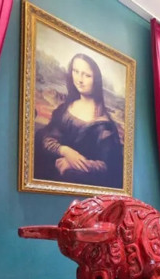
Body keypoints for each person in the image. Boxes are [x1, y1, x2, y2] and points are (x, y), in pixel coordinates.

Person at [34, 53, 123, 188]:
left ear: (96, 80)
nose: (79, 79)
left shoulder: (104, 126)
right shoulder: (64, 108)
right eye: (76, 71)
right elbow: (46, 137)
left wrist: (75, 163)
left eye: (87, 75)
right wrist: (65, 151)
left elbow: (108, 166)